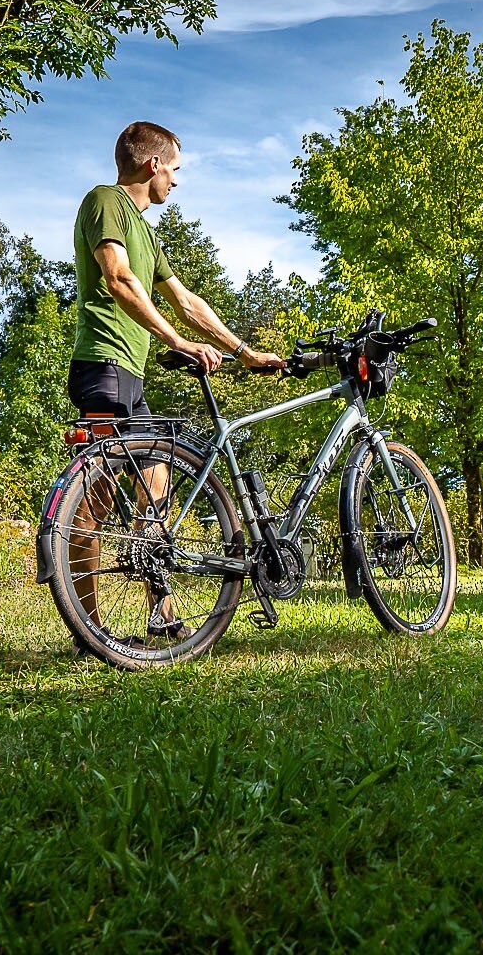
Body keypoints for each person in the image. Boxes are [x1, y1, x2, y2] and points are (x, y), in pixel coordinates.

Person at [66, 120, 285, 648]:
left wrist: (243, 352)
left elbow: (188, 302)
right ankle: (88, 627)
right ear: (152, 164)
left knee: (158, 479)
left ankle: (161, 613)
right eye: (176, 170)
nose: (177, 182)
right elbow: (118, 279)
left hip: (130, 375)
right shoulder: (105, 202)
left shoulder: (145, 230)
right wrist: (177, 342)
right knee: (93, 502)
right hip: (102, 367)